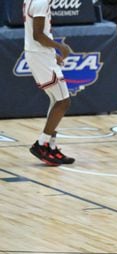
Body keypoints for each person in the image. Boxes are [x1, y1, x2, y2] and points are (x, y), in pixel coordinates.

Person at [24, 0, 75, 166]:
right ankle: (41, 144)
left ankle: (50, 146)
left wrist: (53, 53)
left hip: (41, 54)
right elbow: (38, 35)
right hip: (39, 55)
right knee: (63, 101)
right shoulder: (41, 2)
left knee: (56, 101)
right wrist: (60, 47)